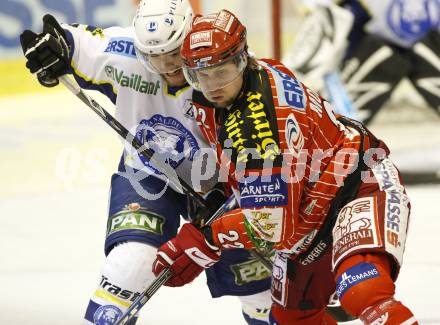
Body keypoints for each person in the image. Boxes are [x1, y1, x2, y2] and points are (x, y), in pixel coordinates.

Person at [152, 9, 419, 324]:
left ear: (241, 60)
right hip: (307, 213)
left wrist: (208, 238)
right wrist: (221, 200)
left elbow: (272, 224)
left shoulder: (253, 125)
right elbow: (260, 186)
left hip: (359, 185)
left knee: (363, 288)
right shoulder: (256, 74)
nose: (211, 85)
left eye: (221, 72)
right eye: (200, 75)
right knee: (292, 319)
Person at [19, 1, 272, 324]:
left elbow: (265, 163)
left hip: (226, 188)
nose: (167, 66)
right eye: (155, 57)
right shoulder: (123, 53)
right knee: (129, 264)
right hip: (148, 172)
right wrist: (50, 50)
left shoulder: (225, 70)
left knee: (260, 293)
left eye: (174, 54)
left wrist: (235, 203)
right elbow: (69, 41)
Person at [283, 0, 440, 125]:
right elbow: (322, 15)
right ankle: (337, 143)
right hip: (371, 47)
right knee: (340, 121)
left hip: (433, 43)